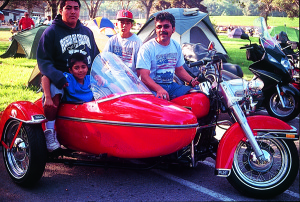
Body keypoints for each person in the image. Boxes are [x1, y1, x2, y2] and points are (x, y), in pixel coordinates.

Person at [37, 0, 100, 153]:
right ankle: (50, 133)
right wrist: (58, 77)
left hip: (85, 77)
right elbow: (44, 61)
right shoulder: (51, 32)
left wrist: (101, 75)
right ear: (60, 10)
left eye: (76, 8)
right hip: (61, 79)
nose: (73, 11)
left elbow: (96, 56)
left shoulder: (87, 31)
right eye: (68, 8)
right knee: (55, 94)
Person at [136, 12, 199, 101]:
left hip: (172, 86)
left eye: (166, 26)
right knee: (162, 105)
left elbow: (179, 70)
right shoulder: (147, 48)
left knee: (196, 93)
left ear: (173, 29)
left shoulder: (176, 46)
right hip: (152, 88)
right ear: (156, 29)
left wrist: (192, 80)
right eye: (159, 27)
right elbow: (143, 77)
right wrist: (159, 89)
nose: (162, 29)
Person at [103, 9, 142, 74]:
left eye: (127, 23)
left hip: (130, 78)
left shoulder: (137, 41)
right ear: (116, 24)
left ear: (131, 25)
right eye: (122, 22)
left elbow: (140, 65)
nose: (124, 25)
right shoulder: (112, 40)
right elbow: (104, 58)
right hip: (115, 76)